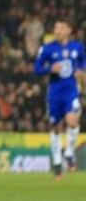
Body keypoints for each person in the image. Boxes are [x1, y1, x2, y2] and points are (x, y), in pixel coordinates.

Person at [34, 20, 85, 178]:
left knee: (72, 121)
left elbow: (83, 62)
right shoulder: (47, 49)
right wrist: (50, 69)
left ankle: (69, 153)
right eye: (56, 28)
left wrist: (81, 70)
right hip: (55, 93)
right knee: (56, 127)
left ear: (69, 30)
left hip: (71, 91)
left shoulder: (77, 47)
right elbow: (37, 69)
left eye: (61, 28)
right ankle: (57, 162)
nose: (58, 31)